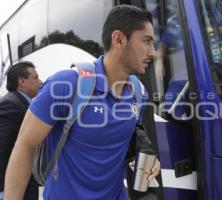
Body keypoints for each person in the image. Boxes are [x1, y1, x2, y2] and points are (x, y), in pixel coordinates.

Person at [4, 5, 160, 200]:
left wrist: (145, 160)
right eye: (146, 41)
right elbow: (25, 145)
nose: (153, 53)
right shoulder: (66, 85)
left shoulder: (138, 92)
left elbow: (122, 145)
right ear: (119, 39)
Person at [0, 62, 42, 200]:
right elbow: (3, 150)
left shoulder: (19, 103)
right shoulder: (11, 105)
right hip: (13, 187)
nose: (40, 82)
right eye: (35, 78)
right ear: (22, 81)